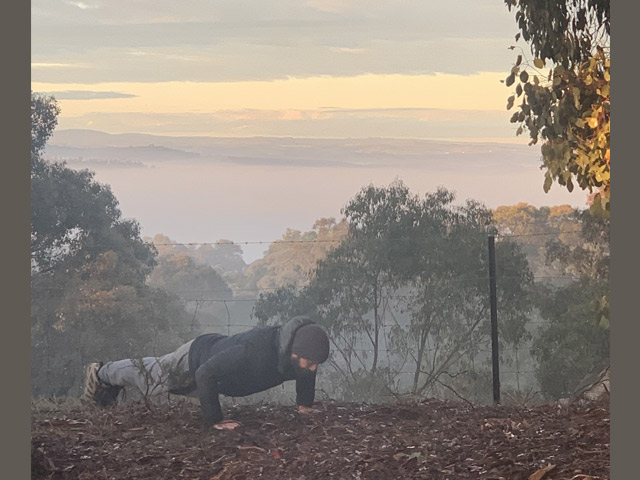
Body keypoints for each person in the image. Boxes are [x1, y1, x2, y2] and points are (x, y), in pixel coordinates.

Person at [82, 316, 330, 430]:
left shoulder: (294, 356)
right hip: (196, 358)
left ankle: (106, 376)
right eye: (309, 362)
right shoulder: (252, 351)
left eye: (315, 363)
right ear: (292, 351)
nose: (311, 369)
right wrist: (216, 420)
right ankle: (101, 373)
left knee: (159, 380)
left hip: (216, 365)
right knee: (151, 378)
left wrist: (304, 405)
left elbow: (306, 372)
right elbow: (205, 373)